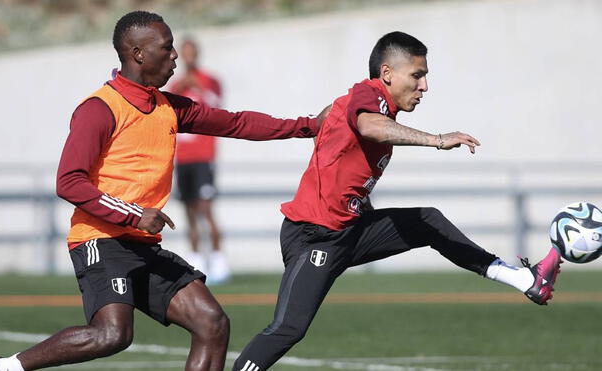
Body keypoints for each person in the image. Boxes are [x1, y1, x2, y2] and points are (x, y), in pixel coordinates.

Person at [0, 10, 324, 371]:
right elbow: (69, 181)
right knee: (112, 335)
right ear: (138, 53)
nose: (175, 55)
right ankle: (2, 368)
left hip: (141, 244)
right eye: (167, 47)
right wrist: (133, 214)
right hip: (100, 240)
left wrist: (310, 126)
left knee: (211, 322)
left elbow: (235, 123)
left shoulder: (167, 106)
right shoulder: (99, 109)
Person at [232, 31, 563, 371]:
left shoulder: (375, 108)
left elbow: (349, 158)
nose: (424, 86)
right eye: (417, 75)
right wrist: (437, 140)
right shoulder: (367, 94)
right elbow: (370, 126)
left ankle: (524, 280)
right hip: (314, 236)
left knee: (427, 221)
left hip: (348, 231)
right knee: (288, 329)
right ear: (388, 74)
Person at [166, 37, 228, 284]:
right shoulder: (175, 85)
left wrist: (199, 89)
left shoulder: (209, 80)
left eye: (192, 52)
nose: (188, 57)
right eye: (185, 53)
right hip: (184, 158)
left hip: (203, 157)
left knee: (206, 208)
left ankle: (218, 259)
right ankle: (196, 260)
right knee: (189, 210)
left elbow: (218, 108)